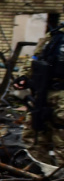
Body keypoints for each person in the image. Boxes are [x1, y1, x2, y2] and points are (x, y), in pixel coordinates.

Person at [27, 21, 64, 164]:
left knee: (61, 141)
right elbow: (37, 57)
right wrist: (24, 76)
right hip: (44, 92)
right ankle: (42, 176)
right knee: (35, 137)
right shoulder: (56, 34)